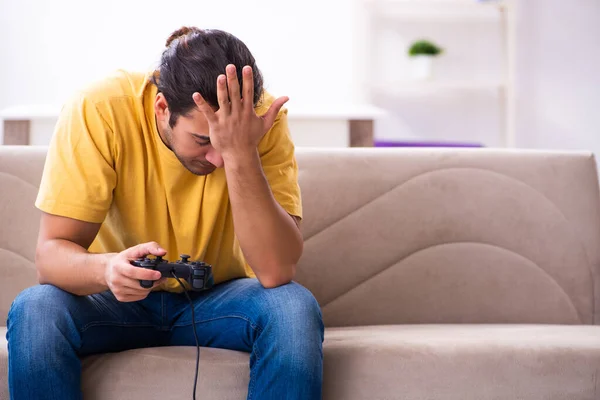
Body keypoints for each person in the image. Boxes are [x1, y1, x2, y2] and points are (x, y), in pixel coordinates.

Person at [5, 26, 324, 400]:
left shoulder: (256, 123)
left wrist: (243, 152)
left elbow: (275, 271)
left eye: (227, 144)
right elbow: (51, 257)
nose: (216, 158)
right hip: (116, 298)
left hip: (219, 300)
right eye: (203, 140)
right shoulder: (100, 108)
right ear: (162, 108)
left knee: (293, 308)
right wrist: (107, 269)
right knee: (36, 308)